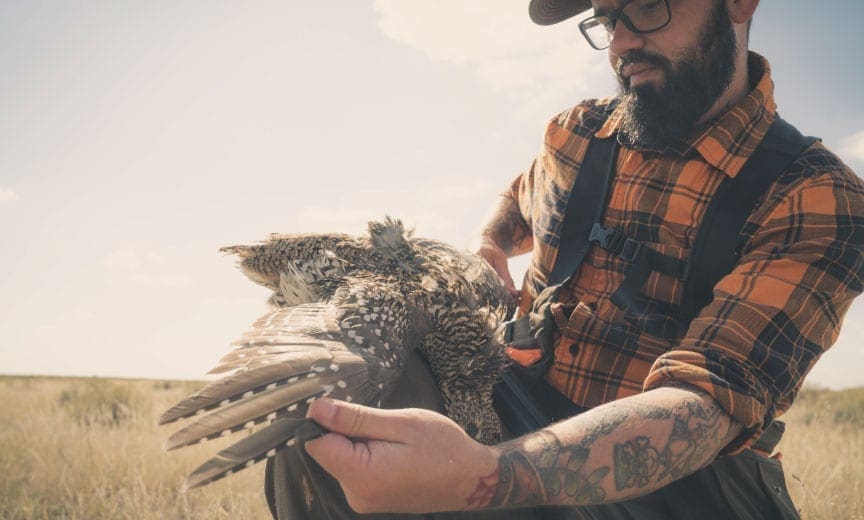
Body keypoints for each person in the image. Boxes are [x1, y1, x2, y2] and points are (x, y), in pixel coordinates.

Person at [302, 0, 864, 517]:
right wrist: (491, 241)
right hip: (518, 406)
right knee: (316, 417)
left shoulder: (816, 196)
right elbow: (519, 200)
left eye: (646, 7)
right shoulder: (577, 134)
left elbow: (705, 407)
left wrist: (478, 474)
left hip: (679, 480)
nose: (619, 44)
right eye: (606, 19)